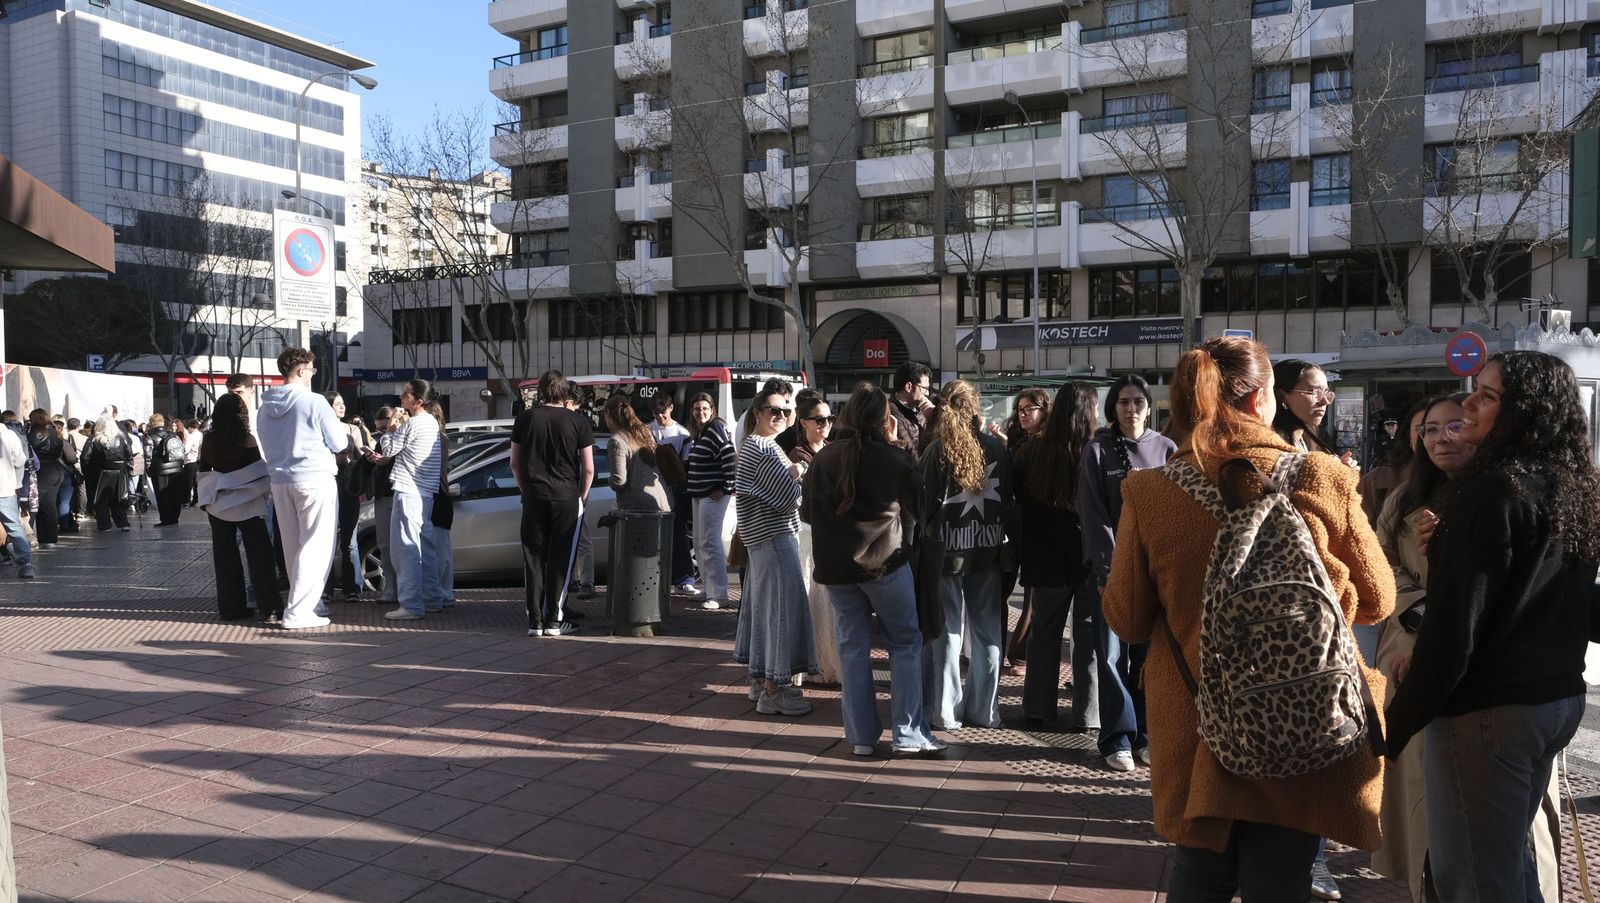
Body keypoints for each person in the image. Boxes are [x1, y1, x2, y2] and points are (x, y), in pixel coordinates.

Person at [1103, 336, 1395, 899]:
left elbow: (1131, 620)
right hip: (1304, 709)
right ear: (1265, 399)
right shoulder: (1323, 476)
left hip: (1196, 719)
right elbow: (1380, 597)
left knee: (1201, 875)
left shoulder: (1149, 491)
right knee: (1283, 879)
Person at [1385, 351, 1600, 901]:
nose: (1470, 406)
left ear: (1522, 410)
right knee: (1510, 866)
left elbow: (1459, 624)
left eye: (1485, 395)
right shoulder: (1573, 485)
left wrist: (1401, 720)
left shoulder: (1493, 490)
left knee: (1477, 882)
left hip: (1488, 711)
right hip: (1554, 699)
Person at [802, 383, 945, 755]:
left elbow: (806, 514)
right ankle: (909, 733)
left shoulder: (823, 459)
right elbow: (922, 508)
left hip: (835, 570)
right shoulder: (894, 458)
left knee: (852, 649)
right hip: (885, 566)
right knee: (905, 644)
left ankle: (861, 738)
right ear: (886, 419)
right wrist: (902, 448)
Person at [1081, 374, 1176, 771]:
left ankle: (1145, 735)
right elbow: (1092, 513)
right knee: (1112, 656)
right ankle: (1116, 737)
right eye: (1123, 402)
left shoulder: (1166, 449)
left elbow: (1177, 511)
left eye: (1138, 401)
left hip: (1156, 572)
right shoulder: (1098, 451)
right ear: (1112, 407)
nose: (1131, 409)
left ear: (1149, 406)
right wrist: (1109, 568)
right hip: (1114, 573)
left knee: (1149, 658)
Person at [921, 379, 1012, 731]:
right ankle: (986, 712)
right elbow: (1008, 497)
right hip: (987, 550)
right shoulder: (996, 449)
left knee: (947, 633)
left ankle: (945, 712)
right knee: (988, 632)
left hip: (944, 552)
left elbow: (924, 503)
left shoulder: (936, 451)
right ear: (975, 408)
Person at [1015, 383, 1099, 730]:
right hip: (1089, 556)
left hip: (1044, 554)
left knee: (1044, 634)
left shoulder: (1030, 451)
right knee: (1088, 637)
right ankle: (1088, 713)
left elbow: (1019, 500)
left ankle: (1037, 708)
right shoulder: (1096, 452)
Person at [735, 385, 817, 715]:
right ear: (757, 413)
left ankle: (761, 682)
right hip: (775, 540)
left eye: (786, 410)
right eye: (773, 410)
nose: (781, 416)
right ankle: (775, 690)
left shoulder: (757, 445)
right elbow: (789, 499)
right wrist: (798, 473)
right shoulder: (762, 449)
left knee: (766, 615)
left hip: (764, 543)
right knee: (781, 616)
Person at [256, 348, 348, 630]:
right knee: (316, 545)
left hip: (281, 481)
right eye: (311, 369)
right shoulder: (314, 401)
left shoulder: (264, 407)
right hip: (314, 477)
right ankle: (299, 611)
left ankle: (309, 603)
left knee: (294, 546)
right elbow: (339, 443)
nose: (312, 373)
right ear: (300, 370)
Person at [511, 370, 595, 638]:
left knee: (533, 557)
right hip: (566, 497)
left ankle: (534, 621)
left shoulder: (525, 418)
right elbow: (589, 468)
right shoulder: (578, 421)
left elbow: (514, 462)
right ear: (564, 392)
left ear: (542, 390)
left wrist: (526, 488)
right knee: (561, 559)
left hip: (534, 495)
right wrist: (581, 495)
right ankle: (554, 621)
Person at [197, 394, 282, 625]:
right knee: (260, 555)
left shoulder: (209, 439)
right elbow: (257, 470)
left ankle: (231, 608)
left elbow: (203, 469)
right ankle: (270, 608)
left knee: (224, 555)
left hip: (218, 502)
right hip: (247, 501)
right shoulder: (246, 438)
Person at [371, 379, 443, 621]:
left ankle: (411, 604)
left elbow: (388, 449)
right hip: (426, 491)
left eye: (405, 396)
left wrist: (391, 427)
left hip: (408, 489)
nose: (401, 399)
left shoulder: (412, 424)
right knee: (426, 547)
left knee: (406, 550)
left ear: (418, 401)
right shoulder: (431, 422)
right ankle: (432, 598)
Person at [994, 387, 1050, 674]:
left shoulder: (1048, 444)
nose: (1023, 414)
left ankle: (1020, 655)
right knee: (1001, 587)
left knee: (1031, 594)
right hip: (1010, 525)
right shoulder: (1016, 441)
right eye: (1020, 409)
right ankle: (995, 649)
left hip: (1035, 526)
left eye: (1030, 408)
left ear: (1044, 410)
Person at [789, 391, 839, 684]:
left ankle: (827, 664)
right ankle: (809, 666)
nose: (825, 424)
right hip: (807, 534)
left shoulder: (832, 449)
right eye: (819, 420)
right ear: (804, 423)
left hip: (829, 534)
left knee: (827, 603)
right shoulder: (798, 455)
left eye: (829, 419)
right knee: (811, 599)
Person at [684, 392, 736, 611]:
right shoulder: (701, 432)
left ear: (712, 410)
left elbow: (729, 455)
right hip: (699, 494)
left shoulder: (715, 428)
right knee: (699, 542)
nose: (700, 412)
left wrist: (727, 487)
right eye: (697, 409)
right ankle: (708, 588)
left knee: (709, 542)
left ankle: (719, 593)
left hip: (711, 495)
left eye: (705, 408)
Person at [649, 393, 697, 595]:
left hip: (674, 486)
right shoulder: (647, 430)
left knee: (678, 534)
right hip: (653, 486)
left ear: (671, 409)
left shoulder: (682, 433)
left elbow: (685, 465)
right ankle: (658, 578)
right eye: (656, 413)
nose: (660, 417)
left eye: (663, 412)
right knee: (655, 535)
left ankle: (684, 577)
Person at [1357, 399, 1428, 529]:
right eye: (1421, 429)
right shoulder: (1375, 483)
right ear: (1408, 434)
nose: (1437, 437)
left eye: (1454, 427)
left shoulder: (1467, 485)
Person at [324, 392, 365, 601]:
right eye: (337, 403)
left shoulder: (352, 429)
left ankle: (353, 588)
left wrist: (349, 460)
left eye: (342, 403)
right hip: (326, 486)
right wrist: (333, 458)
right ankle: (325, 588)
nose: (342, 407)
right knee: (325, 540)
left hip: (348, 488)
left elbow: (361, 457)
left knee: (350, 541)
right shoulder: (319, 428)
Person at [605, 394, 670, 513]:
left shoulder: (617, 440)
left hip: (636, 509)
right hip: (661, 500)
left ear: (608, 413)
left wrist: (608, 481)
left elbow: (619, 481)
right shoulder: (645, 432)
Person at [421, 400, 454, 610]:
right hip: (439, 496)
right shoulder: (440, 438)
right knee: (439, 549)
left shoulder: (437, 439)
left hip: (438, 497)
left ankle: (443, 593)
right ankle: (443, 592)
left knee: (439, 551)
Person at [369, 407, 402, 604]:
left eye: (384, 427)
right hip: (382, 495)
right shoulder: (383, 440)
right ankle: (391, 588)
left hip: (398, 493)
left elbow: (391, 457)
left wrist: (382, 460)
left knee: (401, 545)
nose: (382, 432)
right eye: (379, 429)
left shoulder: (403, 435)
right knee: (385, 544)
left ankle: (402, 590)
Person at [1271, 359, 1334, 454]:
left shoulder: (1316, 436)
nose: (1324, 401)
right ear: (1281, 396)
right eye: (1313, 392)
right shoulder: (1271, 444)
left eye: (1326, 392)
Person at [83, 416, 133, 534]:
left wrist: (88, 472)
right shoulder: (122, 438)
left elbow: (85, 457)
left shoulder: (94, 439)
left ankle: (104, 525)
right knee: (119, 497)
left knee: (101, 499)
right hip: (120, 471)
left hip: (100, 473)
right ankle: (123, 523)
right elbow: (129, 454)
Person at [24, 410, 65, 550]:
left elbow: (28, 450)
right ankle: (49, 538)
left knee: (37, 506)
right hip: (56, 469)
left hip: (44, 470)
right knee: (49, 505)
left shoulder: (36, 433)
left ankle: (34, 538)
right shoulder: (56, 432)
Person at [0, 418, 34, 578]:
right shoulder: (9, 435)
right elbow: (20, 460)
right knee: (14, 527)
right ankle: (26, 564)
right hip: (5, 487)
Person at [143, 414, 185, 526]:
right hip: (176, 467)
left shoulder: (150, 437)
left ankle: (166, 518)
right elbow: (182, 450)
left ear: (151, 423)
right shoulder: (173, 435)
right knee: (174, 494)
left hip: (159, 470)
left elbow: (148, 455)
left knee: (162, 494)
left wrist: (148, 468)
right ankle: (175, 517)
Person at [889, 361, 933, 453]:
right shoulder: (891, 411)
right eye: (925, 388)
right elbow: (910, 451)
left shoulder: (922, 409)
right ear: (909, 387)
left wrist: (934, 418)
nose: (927, 393)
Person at [181, 419, 203, 507]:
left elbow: (186, 449)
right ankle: (196, 501)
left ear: (191, 427)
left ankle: (186, 501)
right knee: (197, 482)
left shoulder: (191, 436)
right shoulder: (201, 435)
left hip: (190, 460)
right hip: (199, 460)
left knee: (187, 482)